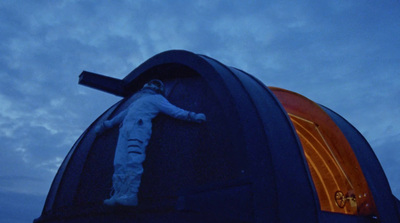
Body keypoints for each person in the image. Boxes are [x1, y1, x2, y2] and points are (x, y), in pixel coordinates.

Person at [95, 79, 206, 206]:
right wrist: (106, 125)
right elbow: (121, 116)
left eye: (154, 84)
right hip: (125, 130)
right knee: (119, 162)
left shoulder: (158, 99)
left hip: (138, 128)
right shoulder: (137, 102)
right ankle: (119, 193)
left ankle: (130, 195)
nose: (150, 85)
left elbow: (173, 110)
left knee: (134, 160)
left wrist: (191, 116)